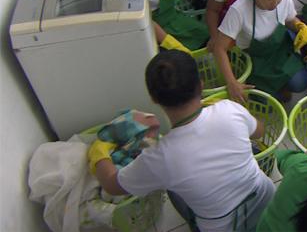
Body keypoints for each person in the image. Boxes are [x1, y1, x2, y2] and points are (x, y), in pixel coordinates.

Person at [87, 50, 275, 231]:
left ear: (153, 99)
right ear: (201, 86)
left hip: (224, 226)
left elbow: (112, 185)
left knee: (173, 188)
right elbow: (259, 131)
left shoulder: (160, 157)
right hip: (269, 202)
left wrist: (99, 150)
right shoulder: (230, 110)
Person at [213, 0, 307, 102]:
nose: (275, 3)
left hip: (280, 52)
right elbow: (219, 47)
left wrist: (299, 26)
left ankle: (283, 87)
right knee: (267, 102)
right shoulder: (239, 10)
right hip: (255, 59)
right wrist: (232, 82)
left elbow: (289, 19)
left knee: (300, 84)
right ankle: (276, 90)